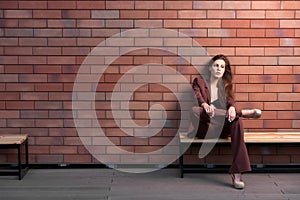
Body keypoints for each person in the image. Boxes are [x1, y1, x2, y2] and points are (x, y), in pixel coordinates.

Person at [187, 54, 261, 189]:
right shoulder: (199, 82)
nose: (219, 69)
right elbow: (197, 95)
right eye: (216, 65)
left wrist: (232, 108)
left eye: (222, 66)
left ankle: (237, 173)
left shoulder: (225, 86)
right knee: (195, 110)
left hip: (219, 128)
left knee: (236, 121)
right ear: (210, 68)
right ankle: (243, 113)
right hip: (204, 127)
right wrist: (204, 105)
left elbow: (230, 101)